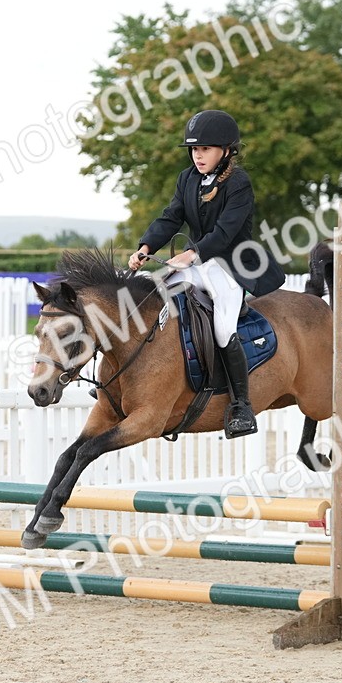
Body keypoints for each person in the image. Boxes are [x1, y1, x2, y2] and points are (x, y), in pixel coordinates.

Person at [128, 109, 285, 438]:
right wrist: (146, 248)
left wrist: (193, 253)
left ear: (226, 151)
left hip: (230, 265)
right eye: (195, 150)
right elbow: (171, 217)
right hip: (195, 264)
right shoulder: (187, 179)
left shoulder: (239, 183)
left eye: (206, 149)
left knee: (222, 328)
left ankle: (241, 405)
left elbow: (225, 233)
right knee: (151, 298)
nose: (198, 155)